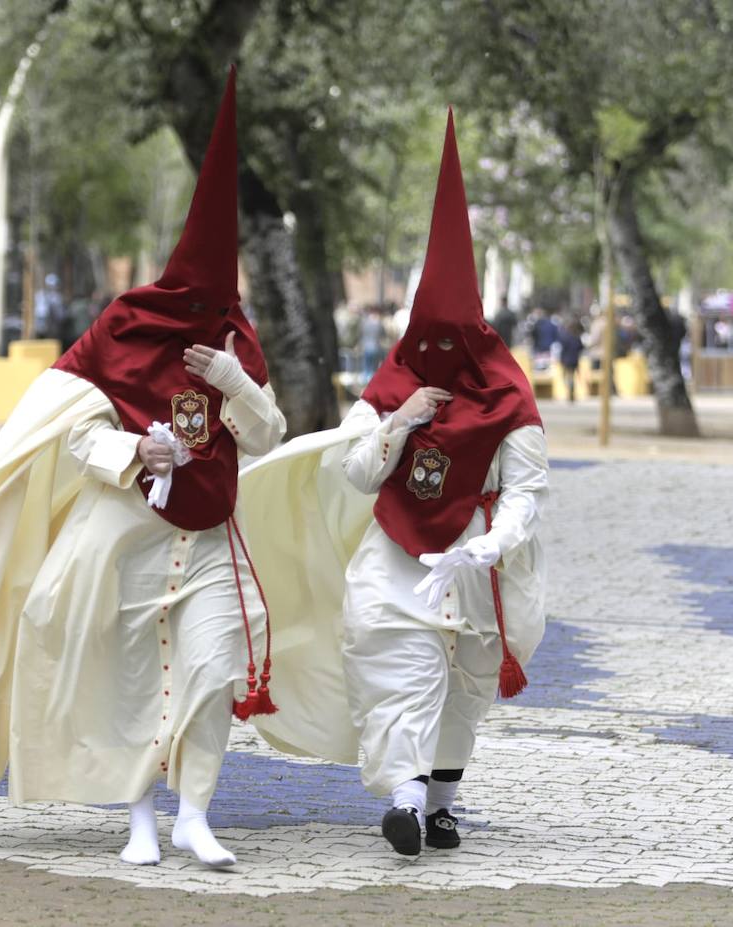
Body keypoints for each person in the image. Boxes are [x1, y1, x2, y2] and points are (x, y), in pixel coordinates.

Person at [0, 69, 286, 869]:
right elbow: (70, 435)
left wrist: (234, 381)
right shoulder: (123, 325)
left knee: (213, 672)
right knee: (132, 677)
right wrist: (131, 451)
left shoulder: (238, 341)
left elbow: (268, 436)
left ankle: (195, 814)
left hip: (210, 537)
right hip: (126, 533)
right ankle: (140, 816)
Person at [236, 110, 550, 858]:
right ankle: (406, 799)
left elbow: (528, 490)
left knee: (466, 684)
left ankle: (442, 800)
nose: (437, 353)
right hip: (394, 550)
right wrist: (400, 420)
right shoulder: (391, 385)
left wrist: (494, 545)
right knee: (391, 658)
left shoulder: (511, 399)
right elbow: (356, 469)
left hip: (476, 562)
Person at [558, 317, 584, 402]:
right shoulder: (577, 337)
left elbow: (562, 348)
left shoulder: (565, 336)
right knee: (571, 376)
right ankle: (571, 392)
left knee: (566, 376)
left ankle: (569, 392)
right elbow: (581, 348)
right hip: (574, 360)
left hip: (566, 359)